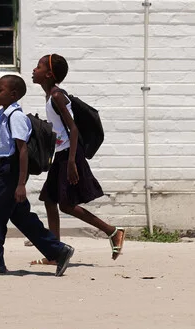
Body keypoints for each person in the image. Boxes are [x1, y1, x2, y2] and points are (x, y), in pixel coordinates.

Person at [0, 74, 76, 277]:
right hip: (8, 170)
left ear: (13, 95)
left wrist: (21, 184)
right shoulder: (5, 117)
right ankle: (58, 250)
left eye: (0, 90)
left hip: (13, 174)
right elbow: (5, 153)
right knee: (22, 218)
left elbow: (22, 151)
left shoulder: (16, 118)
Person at [31, 54, 125, 264]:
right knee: (49, 199)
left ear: (48, 74)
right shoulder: (51, 95)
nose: (33, 70)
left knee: (65, 205)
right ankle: (55, 253)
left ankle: (112, 231)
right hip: (62, 155)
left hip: (69, 156)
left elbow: (73, 129)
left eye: (38, 67)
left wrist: (72, 161)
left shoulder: (56, 95)